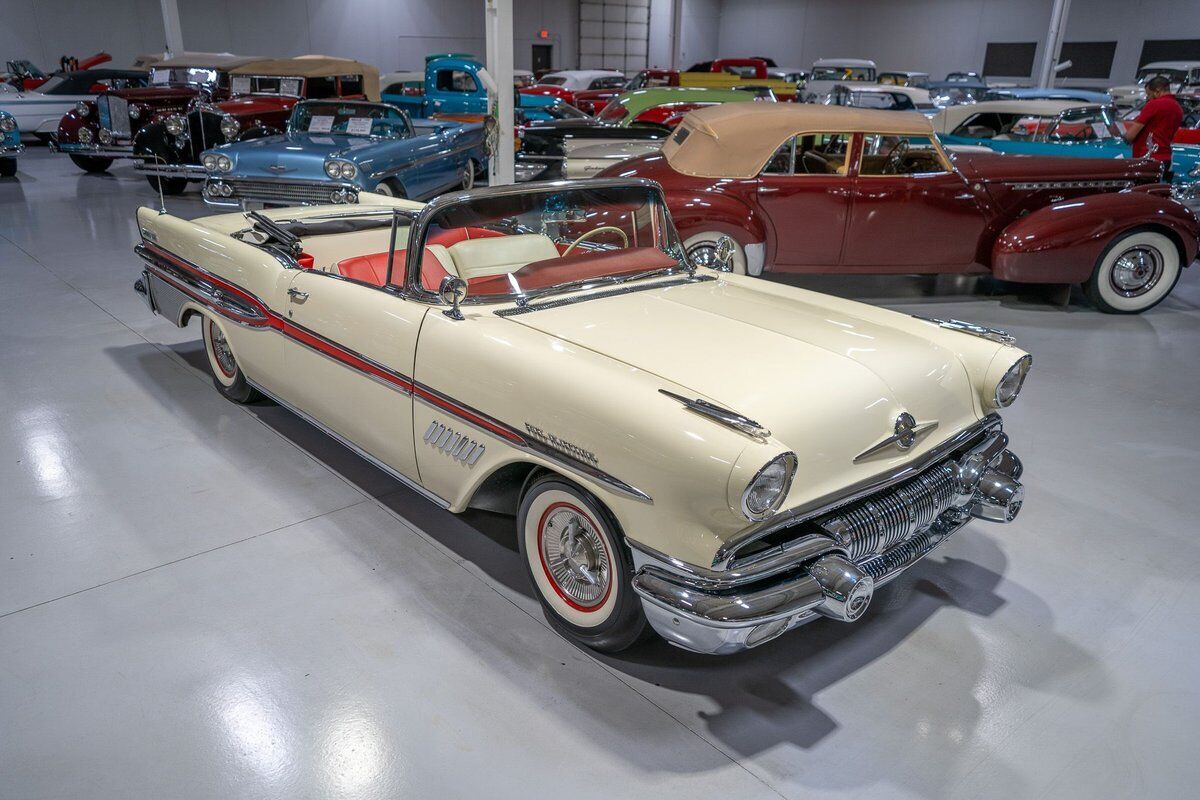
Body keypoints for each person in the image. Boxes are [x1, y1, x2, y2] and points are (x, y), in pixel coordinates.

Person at [1123, 75, 1184, 182]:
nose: (1148, 99)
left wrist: (1125, 137)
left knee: (1141, 195)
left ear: (1157, 91)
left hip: (1148, 159)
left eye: (1149, 95)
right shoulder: (1178, 108)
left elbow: (1130, 135)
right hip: (1166, 158)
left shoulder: (1154, 105)